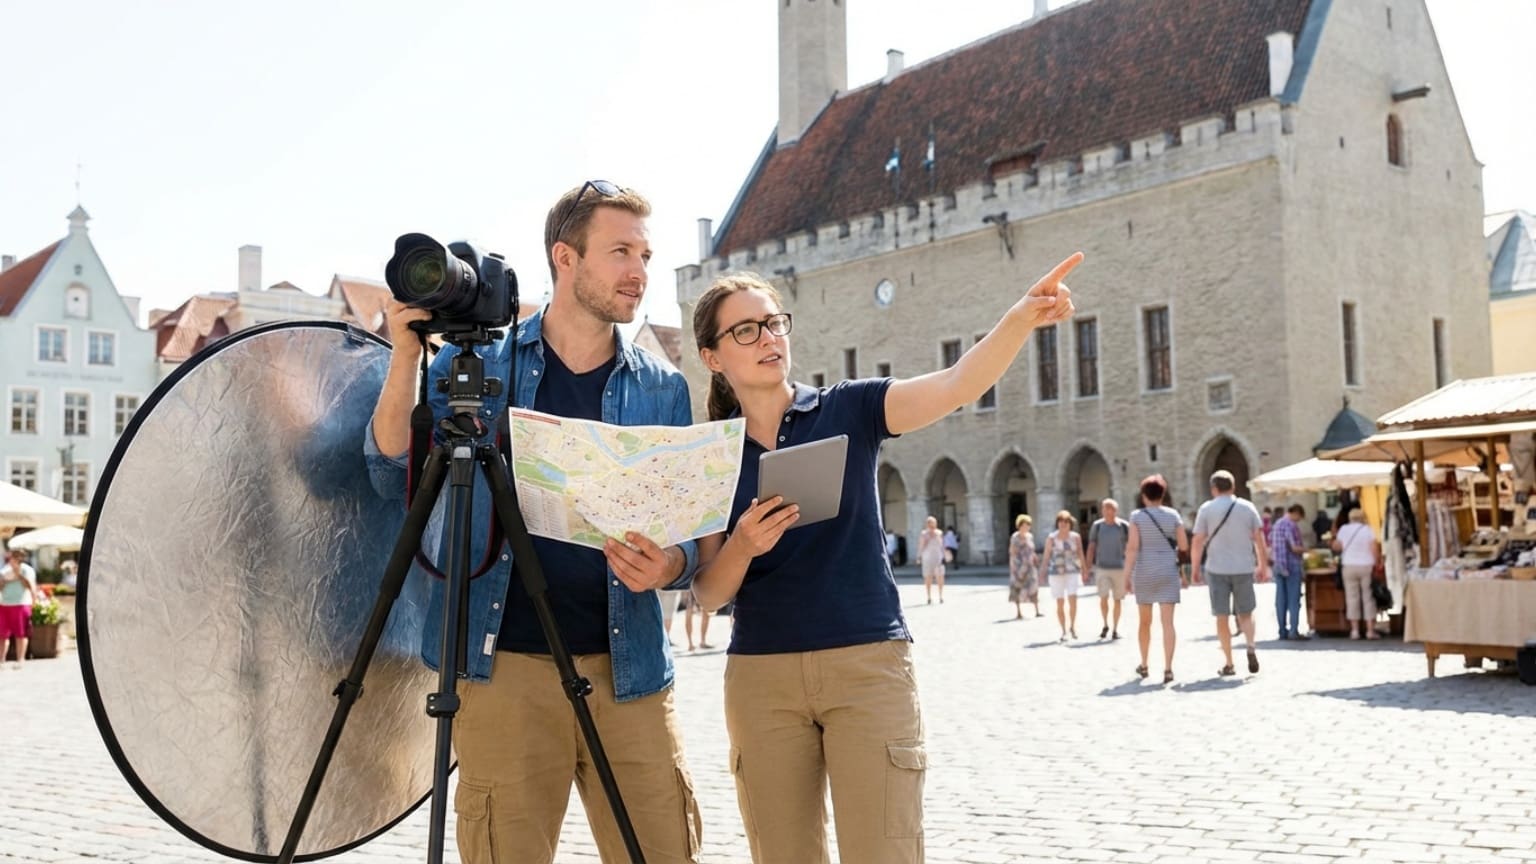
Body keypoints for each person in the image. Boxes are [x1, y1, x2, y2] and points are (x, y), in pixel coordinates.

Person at [689, 253, 1079, 863]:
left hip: (867, 664)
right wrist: (742, 545)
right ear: (712, 357)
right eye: (746, 330)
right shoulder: (710, 456)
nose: (768, 338)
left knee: (885, 851)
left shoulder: (851, 408)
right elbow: (709, 594)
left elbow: (955, 385)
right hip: (762, 677)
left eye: (774, 323)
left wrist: (1019, 320)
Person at [365, 181, 703, 863]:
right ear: (565, 257)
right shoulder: (477, 364)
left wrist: (673, 563)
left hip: (630, 671)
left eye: (644, 255)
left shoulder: (663, 387)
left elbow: (687, 530)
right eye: (620, 252)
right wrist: (404, 357)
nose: (639, 272)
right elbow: (387, 469)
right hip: (502, 670)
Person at [1190, 470, 1270, 677]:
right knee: (1246, 612)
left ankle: (1229, 662)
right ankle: (1250, 646)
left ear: (1213, 489)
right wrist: (1263, 565)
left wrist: (1195, 568)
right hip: (1243, 567)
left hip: (1216, 569)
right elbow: (1259, 539)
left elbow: (1197, 541)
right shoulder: (1247, 507)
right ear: (1233, 487)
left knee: (1222, 616)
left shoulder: (1206, 509)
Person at [1121, 475, 1187, 683]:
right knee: (1168, 623)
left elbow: (1132, 548)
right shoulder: (1173, 515)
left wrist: (1126, 576)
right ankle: (1168, 668)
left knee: (1144, 622)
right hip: (1168, 571)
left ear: (1144, 496)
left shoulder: (1136, 517)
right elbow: (1183, 545)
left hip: (1145, 571)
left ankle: (1144, 664)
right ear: (1162, 494)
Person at [1332, 507, 1382, 640]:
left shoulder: (1343, 529)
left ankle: (1355, 631)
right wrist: (1377, 562)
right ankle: (1370, 630)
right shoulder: (1368, 530)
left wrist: (1332, 542)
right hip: (1366, 565)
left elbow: (1337, 546)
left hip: (1349, 565)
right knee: (1368, 597)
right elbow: (1374, 548)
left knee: (1352, 597)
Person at [1086, 498, 1129, 639]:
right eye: (1104, 508)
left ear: (1115, 511)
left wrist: (1131, 567)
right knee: (1103, 597)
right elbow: (1091, 546)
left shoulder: (1124, 526)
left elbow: (1131, 547)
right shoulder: (1097, 526)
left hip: (1120, 568)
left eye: (1109, 508)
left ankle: (1115, 629)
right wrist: (1087, 567)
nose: (1106, 511)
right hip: (1102, 568)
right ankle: (1105, 624)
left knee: (1118, 599)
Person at [1043, 511, 1087, 643]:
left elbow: (1080, 553)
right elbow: (1046, 555)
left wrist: (1084, 569)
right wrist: (1042, 571)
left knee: (1073, 599)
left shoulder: (1075, 537)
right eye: (1061, 521)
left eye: (1066, 521)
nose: (1063, 524)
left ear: (1070, 524)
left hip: (1072, 571)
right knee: (1060, 602)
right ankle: (1063, 630)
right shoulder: (1051, 538)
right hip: (1056, 572)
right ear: (1057, 523)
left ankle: (1072, 626)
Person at [1270, 504, 1309, 640]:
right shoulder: (1291, 525)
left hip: (1278, 564)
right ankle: (1293, 631)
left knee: (1280, 600)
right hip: (1291, 565)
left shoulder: (1277, 524)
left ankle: (1282, 631)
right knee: (1293, 599)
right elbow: (1294, 547)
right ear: (1296, 513)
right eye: (1299, 517)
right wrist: (1307, 550)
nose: (1299, 520)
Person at [1, 549, 39, 669]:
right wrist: (5, 580)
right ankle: (1, 661)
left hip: (21, 604)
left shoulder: (27, 570)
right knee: (2, 635)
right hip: (4, 605)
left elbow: (30, 586)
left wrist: (18, 574)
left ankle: (20, 660)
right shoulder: (4, 570)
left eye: (17, 557)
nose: (14, 559)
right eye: (13, 556)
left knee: (20, 634)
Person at [1008, 514, 1041, 619]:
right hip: (1019, 566)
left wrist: (1035, 558)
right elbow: (1012, 552)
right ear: (1020, 525)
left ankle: (1037, 610)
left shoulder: (1030, 536)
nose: (1026, 527)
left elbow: (1031, 549)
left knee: (1033, 586)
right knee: (1017, 587)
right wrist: (1013, 567)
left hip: (1030, 566)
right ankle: (1018, 612)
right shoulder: (1015, 537)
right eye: (1024, 525)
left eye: (1028, 525)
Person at [917, 516, 946, 604]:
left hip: (938, 558)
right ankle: (929, 597)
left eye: (933, 523)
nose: (932, 525)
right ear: (927, 524)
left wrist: (944, 555)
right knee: (928, 577)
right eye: (930, 523)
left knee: (940, 577)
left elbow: (942, 545)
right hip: (927, 558)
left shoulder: (939, 533)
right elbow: (921, 546)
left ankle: (941, 596)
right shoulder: (924, 534)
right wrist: (918, 557)